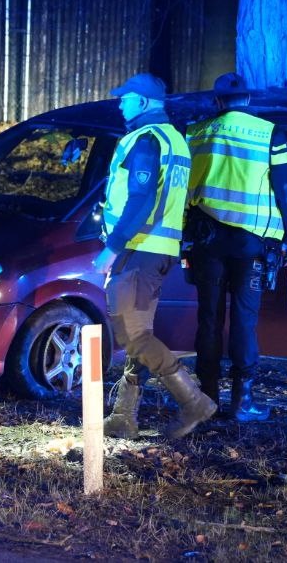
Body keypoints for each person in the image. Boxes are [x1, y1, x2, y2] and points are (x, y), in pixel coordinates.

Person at [95, 73, 215, 440]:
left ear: (144, 102)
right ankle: (123, 416)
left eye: (126, 98)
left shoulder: (146, 140)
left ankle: (194, 401)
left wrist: (110, 249)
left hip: (139, 250)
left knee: (133, 338)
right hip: (159, 251)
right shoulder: (175, 139)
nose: (120, 103)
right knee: (140, 334)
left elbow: (141, 198)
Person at [185, 72, 287, 422]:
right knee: (244, 321)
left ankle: (206, 399)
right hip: (251, 243)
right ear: (248, 100)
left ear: (218, 101)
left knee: (208, 319)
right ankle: (242, 402)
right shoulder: (269, 134)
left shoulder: (196, 132)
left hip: (206, 240)